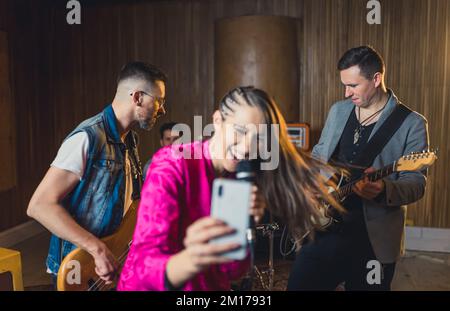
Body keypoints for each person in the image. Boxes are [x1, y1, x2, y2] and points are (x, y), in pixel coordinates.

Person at [117, 86, 339, 291]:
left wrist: (245, 226)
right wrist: (195, 257)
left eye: (259, 138)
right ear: (217, 121)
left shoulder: (243, 175)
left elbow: (232, 269)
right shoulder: (173, 163)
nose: (246, 148)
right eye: (241, 131)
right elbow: (143, 270)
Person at [287, 46, 429, 290]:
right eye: (344, 85)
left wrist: (383, 188)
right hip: (323, 228)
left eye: (353, 85)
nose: (347, 92)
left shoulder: (412, 124)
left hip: (372, 240)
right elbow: (319, 156)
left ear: (376, 79)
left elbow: (416, 184)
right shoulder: (338, 110)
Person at [27, 61, 167, 286]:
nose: (162, 110)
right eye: (159, 101)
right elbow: (39, 206)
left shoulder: (130, 139)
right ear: (138, 97)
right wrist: (97, 249)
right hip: (80, 268)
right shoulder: (88, 137)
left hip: (111, 263)